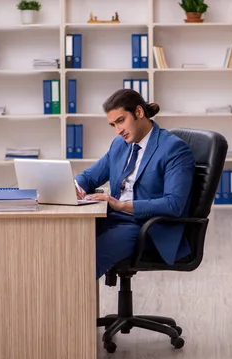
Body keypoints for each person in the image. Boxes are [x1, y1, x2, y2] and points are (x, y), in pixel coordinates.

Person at [74, 89, 196, 279]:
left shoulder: (173, 149)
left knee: (85, 262)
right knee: (66, 244)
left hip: (145, 227)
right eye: (113, 124)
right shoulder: (119, 144)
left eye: (121, 121)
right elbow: (90, 177)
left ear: (139, 112)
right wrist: (74, 187)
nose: (118, 130)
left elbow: (174, 204)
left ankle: (72, 306)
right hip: (113, 217)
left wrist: (121, 205)